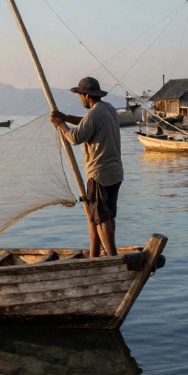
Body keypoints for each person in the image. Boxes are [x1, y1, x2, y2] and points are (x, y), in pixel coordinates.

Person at [51, 77, 123, 257]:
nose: (80, 99)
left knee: (102, 218)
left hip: (99, 173)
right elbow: (86, 122)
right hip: (115, 172)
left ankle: (112, 258)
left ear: (86, 95)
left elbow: (75, 138)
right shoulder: (108, 109)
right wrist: (66, 118)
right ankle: (94, 256)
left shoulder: (94, 114)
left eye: (80, 95)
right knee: (103, 216)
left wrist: (60, 125)